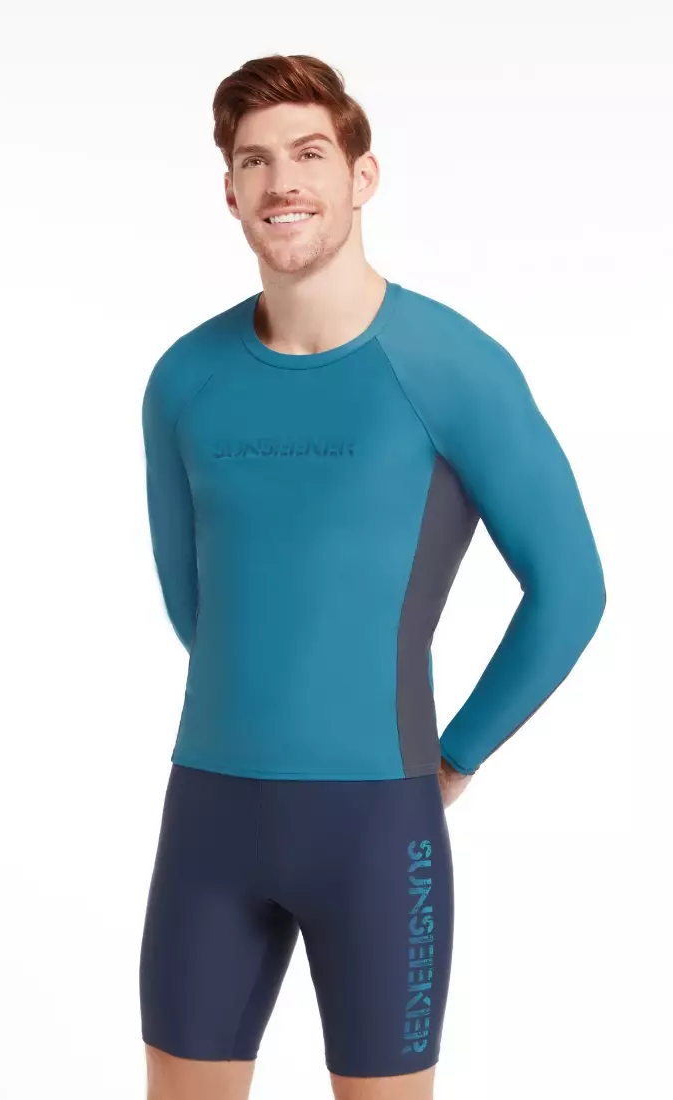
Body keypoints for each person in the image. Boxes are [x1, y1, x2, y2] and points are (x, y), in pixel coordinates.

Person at [138, 53, 606, 1100]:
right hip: (207, 822)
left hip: (377, 834)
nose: (282, 182)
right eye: (254, 160)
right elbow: (194, 603)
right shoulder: (184, 378)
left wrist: (459, 751)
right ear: (229, 191)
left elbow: (571, 587)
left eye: (309, 153)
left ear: (363, 176)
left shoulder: (450, 366)